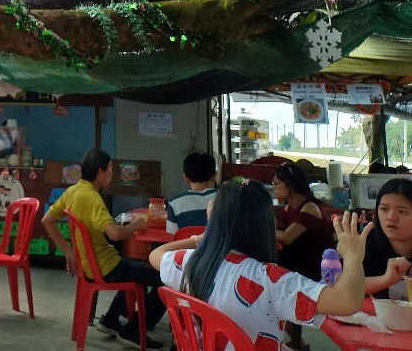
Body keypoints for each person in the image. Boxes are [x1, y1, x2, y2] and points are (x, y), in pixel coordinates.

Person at [151, 180, 373, 351]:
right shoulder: (271, 280)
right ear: (264, 224)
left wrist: (204, 238)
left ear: (215, 221)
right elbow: (348, 302)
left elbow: (156, 255)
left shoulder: (190, 262)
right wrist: (353, 256)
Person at [41, 148, 166, 349]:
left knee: (137, 269)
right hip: (105, 267)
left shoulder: (73, 191)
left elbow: (47, 219)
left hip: (89, 265)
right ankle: (132, 331)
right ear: (100, 171)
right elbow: (114, 234)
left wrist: (69, 251)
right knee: (164, 277)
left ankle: (110, 320)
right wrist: (136, 225)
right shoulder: (93, 199)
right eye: (110, 169)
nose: (112, 174)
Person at [272, 161, 335, 349]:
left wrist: (262, 226)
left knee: (274, 281)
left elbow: (287, 237)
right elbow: (277, 225)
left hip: (316, 267)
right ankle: (297, 341)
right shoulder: (290, 207)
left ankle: (297, 341)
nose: (273, 187)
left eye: (277, 184)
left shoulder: (309, 207)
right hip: (298, 262)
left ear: (290, 186)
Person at [362, 177, 412, 298]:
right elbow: (341, 286)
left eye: (402, 211)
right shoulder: (364, 241)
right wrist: (385, 280)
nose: (391, 217)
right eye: (384, 209)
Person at [165, 152, 217, 235]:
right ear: (214, 176)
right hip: (219, 244)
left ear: (186, 178)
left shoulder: (175, 203)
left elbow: (172, 236)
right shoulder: (227, 198)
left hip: (187, 244)